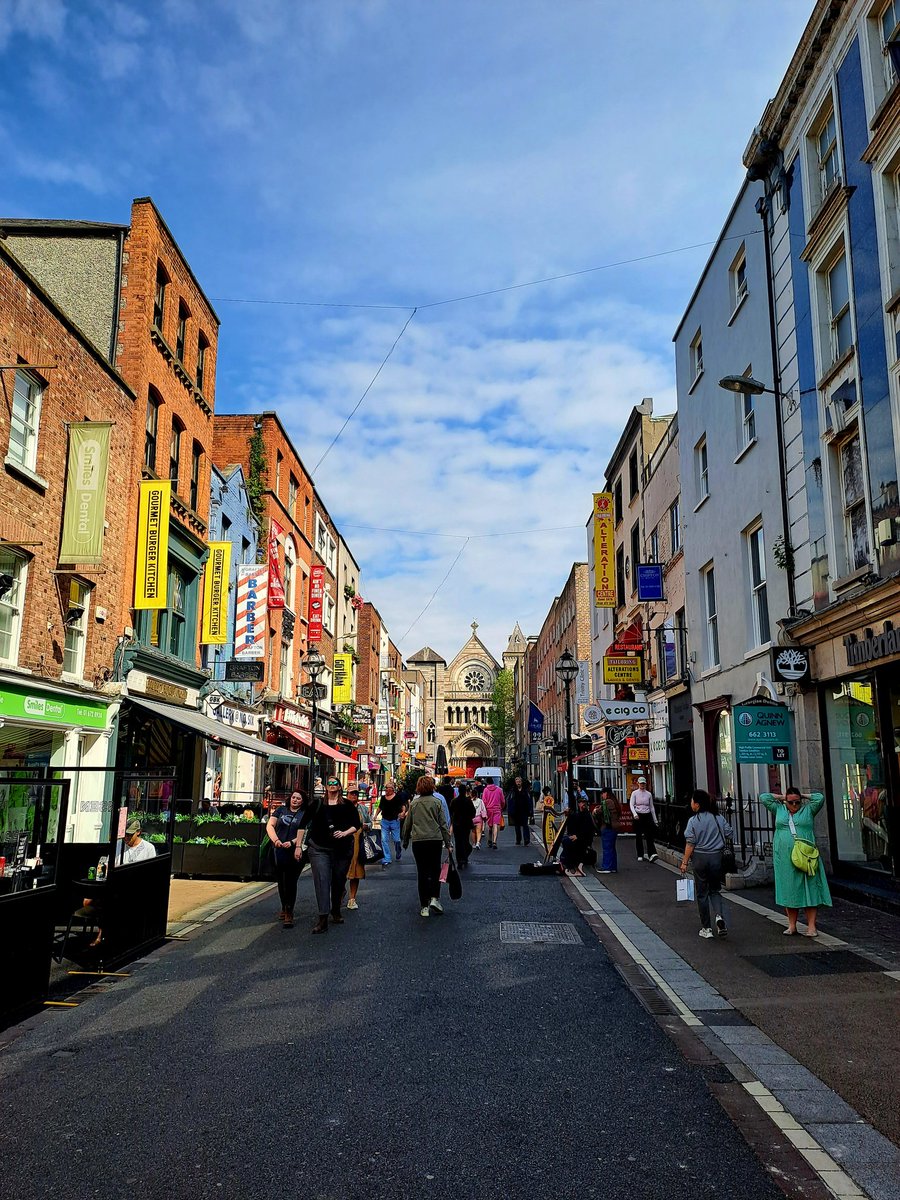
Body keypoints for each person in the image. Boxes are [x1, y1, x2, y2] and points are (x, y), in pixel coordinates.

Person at [761, 787, 831, 936]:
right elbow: (764, 797)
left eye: (797, 802)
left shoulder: (808, 810)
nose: (794, 805)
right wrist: (782, 797)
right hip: (785, 858)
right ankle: (792, 925)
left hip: (806, 856)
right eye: (790, 802)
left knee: (810, 888)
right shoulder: (779, 809)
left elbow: (819, 798)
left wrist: (803, 795)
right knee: (789, 889)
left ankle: (811, 926)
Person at [298, 777, 360, 934]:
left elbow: (356, 824)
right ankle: (323, 918)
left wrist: (345, 833)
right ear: (326, 787)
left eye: (335, 783)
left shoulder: (347, 805)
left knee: (338, 881)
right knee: (322, 881)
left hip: (342, 849)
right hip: (319, 848)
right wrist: (298, 846)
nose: (332, 786)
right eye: (330, 783)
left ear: (339, 787)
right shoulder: (317, 804)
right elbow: (302, 824)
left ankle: (336, 909)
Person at [680, 791, 734, 938]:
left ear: (697, 804)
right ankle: (719, 917)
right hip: (716, 858)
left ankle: (706, 929)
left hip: (700, 858)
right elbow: (729, 833)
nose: (691, 804)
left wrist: (684, 862)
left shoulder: (693, 821)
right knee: (715, 890)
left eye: (692, 801)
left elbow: (690, 843)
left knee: (702, 893)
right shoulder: (718, 818)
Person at [401, 775, 453, 917]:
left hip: (419, 841)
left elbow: (407, 824)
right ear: (432, 786)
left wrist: (405, 840)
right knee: (435, 869)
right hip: (435, 840)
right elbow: (443, 824)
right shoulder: (437, 802)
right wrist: (448, 843)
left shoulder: (414, 804)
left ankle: (424, 906)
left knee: (422, 872)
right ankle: (435, 898)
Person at [266, 790, 306, 929]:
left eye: (298, 798)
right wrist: (276, 840)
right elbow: (270, 825)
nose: (295, 800)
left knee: (290, 881)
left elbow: (305, 831)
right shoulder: (281, 810)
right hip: (279, 849)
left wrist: (294, 843)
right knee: (281, 881)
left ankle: (289, 911)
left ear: (302, 801)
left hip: (295, 851)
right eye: (293, 797)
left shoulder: (304, 814)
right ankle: (284, 905)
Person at [345, 784, 371, 910]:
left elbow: (369, 822)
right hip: (343, 842)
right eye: (351, 793)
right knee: (341, 871)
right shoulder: (341, 807)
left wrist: (367, 826)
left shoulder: (363, 809)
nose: (353, 795)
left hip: (358, 842)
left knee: (356, 871)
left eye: (355, 793)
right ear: (346, 794)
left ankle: (352, 898)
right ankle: (340, 893)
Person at [560, 796, 595, 876]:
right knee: (566, 840)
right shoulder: (580, 814)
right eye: (580, 803)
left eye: (583, 803)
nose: (581, 804)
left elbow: (586, 830)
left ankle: (569, 866)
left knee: (567, 841)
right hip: (581, 837)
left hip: (584, 839)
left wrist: (577, 836)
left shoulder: (586, 815)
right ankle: (565, 863)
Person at [629, 775, 659, 861]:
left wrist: (655, 819)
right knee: (638, 835)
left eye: (643, 783)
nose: (642, 785)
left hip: (647, 814)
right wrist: (634, 814)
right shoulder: (634, 793)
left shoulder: (648, 794)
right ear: (638, 783)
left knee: (649, 835)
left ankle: (652, 854)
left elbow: (652, 807)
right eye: (641, 783)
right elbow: (631, 804)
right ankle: (640, 854)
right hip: (638, 815)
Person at [378, 779, 406, 867]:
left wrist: (403, 812)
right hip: (385, 821)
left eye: (387, 788)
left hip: (395, 820)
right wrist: (375, 816)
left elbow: (403, 806)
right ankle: (387, 858)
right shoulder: (383, 798)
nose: (386, 790)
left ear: (392, 789)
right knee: (384, 840)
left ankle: (398, 851)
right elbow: (380, 807)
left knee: (396, 839)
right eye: (385, 788)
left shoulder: (397, 797)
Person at [595, 787, 621, 873]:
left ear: (606, 793)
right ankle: (613, 867)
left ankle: (607, 867)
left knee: (607, 848)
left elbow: (599, 811)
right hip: (615, 827)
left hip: (608, 827)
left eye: (603, 793)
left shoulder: (608, 801)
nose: (602, 795)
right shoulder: (614, 801)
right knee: (612, 848)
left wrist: (595, 810)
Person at [450, 783, 476, 868]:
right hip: (466, 824)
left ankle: (459, 860)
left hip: (457, 824)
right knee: (465, 841)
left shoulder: (454, 801)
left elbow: (451, 811)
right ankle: (464, 857)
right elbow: (473, 812)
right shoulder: (468, 801)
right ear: (465, 791)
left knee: (458, 842)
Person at [506, 774, 534, 846]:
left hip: (524, 810)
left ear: (521, 782)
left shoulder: (525, 791)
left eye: (519, 781)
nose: (518, 782)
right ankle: (518, 839)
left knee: (525, 825)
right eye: (517, 781)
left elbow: (529, 801)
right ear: (515, 782)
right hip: (516, 811)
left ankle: (526, 840)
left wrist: (531, 811)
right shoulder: (513, 791)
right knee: (517, 826)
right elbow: (509, 801)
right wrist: (510, 811)